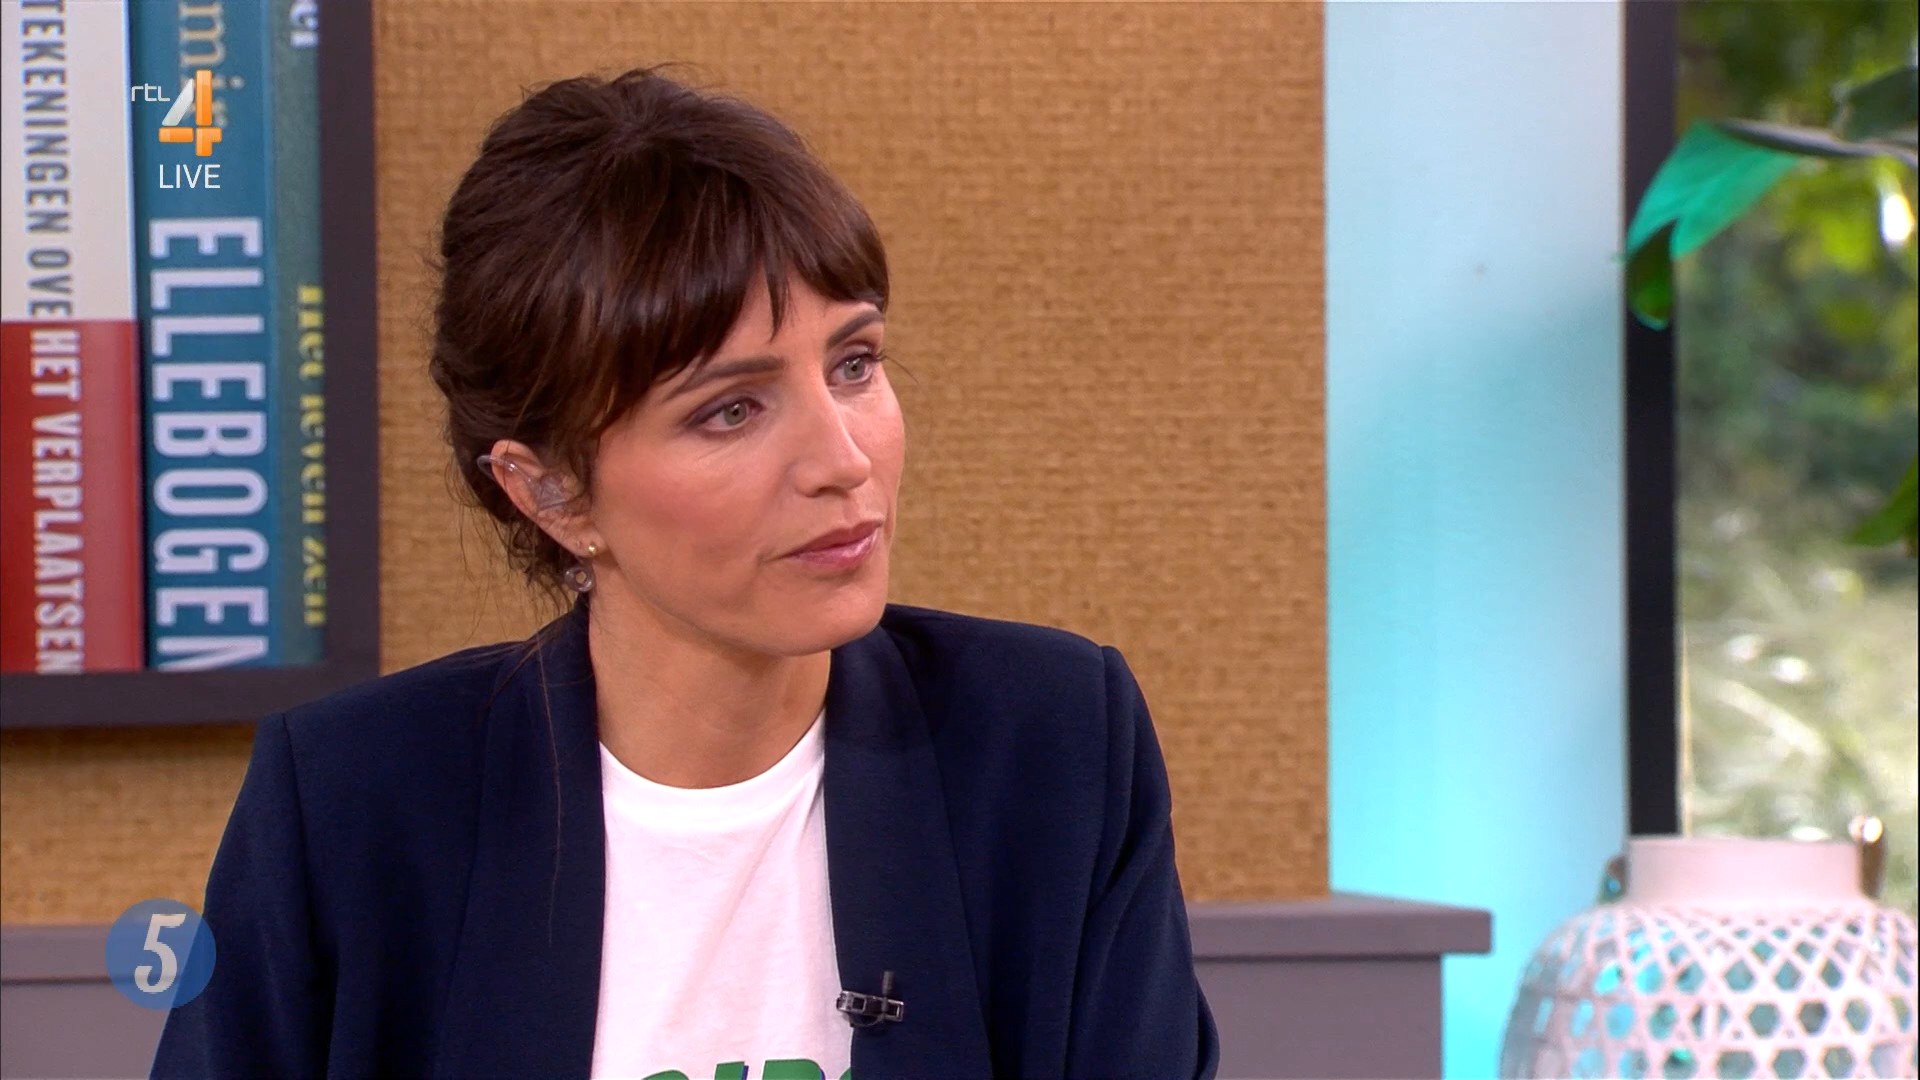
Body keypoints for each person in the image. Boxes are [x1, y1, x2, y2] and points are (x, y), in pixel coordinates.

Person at [150, 65, 1219, 1080]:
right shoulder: (355, 802)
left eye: (854, 364)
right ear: (551, 492)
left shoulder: (1049, 746)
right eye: (732, 410)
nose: (843, 460)